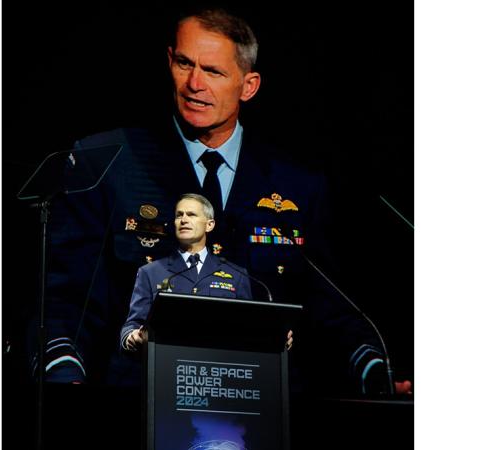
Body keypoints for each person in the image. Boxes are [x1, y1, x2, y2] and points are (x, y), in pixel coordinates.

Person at [36, 6, 406, 395]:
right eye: (184, 63)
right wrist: (62, 378)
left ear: (249, 85)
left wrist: (373, 371)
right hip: (141, 400)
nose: (195, 83)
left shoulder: (296, 184)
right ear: (169, 61)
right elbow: (63, 300)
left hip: (265, 402)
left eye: (213, 72)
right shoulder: (110, 163)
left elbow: (332, 311)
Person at [120, 193, 252, 352]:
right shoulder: (150, 272)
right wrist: (131, 337)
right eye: (179, 215)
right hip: (167, 365)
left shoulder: (238, 275)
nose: (183, 220)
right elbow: (133, 325)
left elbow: (249, 327)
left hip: (219, 364)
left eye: (191, 215)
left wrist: (275, 335)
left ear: (209, 225)